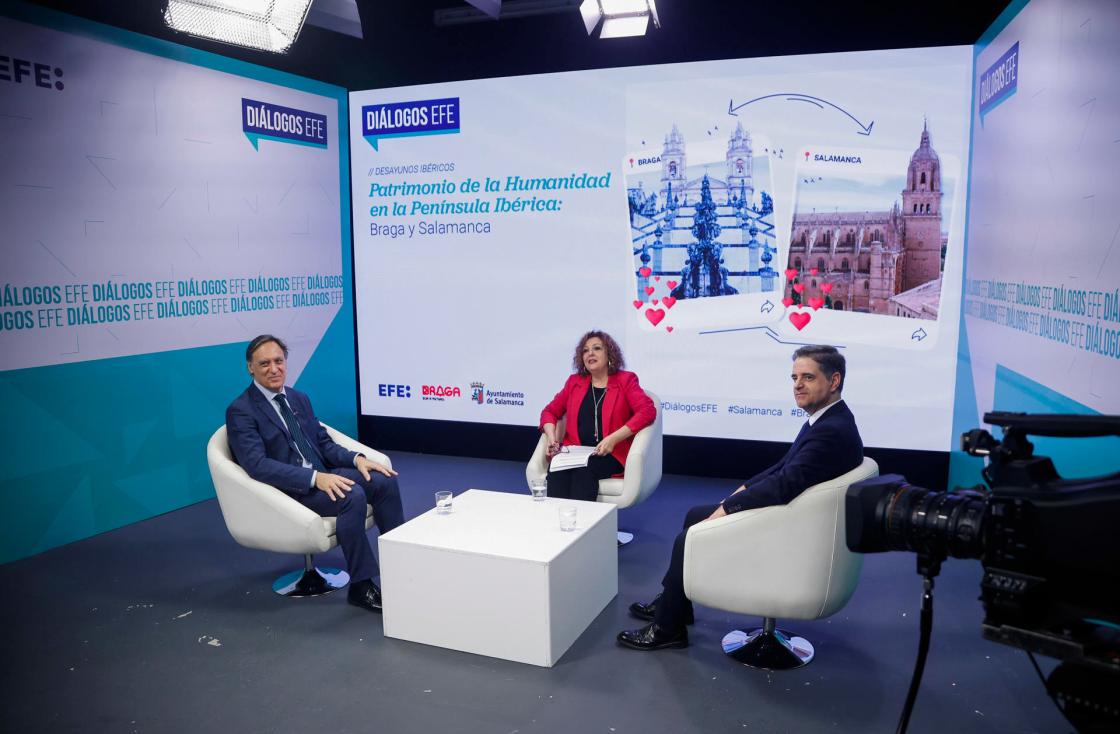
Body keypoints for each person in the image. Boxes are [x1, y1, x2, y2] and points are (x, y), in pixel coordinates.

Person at [617, 344, 863, 650]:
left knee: (690, 534)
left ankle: (667, 629)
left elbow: (785, 484)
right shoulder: (830, 419)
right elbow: (785, 466)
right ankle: (675, 605)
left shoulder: (831, 430)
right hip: (797, 515)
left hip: (794, 528)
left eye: (808, 377)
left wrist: (730, 507)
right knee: (695, 515)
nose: (797, 385)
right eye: (794, 377)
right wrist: (744, 489)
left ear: (834, 380)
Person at [225, 334, 404, 614]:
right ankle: (361, 585)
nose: (274, 369)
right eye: (264, 364)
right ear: (250, 367)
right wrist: (314, 479)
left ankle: (403, 568)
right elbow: (256, 465)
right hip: (290, 490)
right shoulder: (241, 411)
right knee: (352, 495)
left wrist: (357, 459)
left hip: (323, 475)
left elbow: (323, 443)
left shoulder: (298, 398)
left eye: (278, 361)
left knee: (382, 481)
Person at [539, 330, 657, 502]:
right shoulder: (574, 382)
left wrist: (614, 438)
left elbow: (647, 411)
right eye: (585, 351)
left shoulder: (625, 380)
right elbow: (549, 411)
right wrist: (551, 438)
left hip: (611, 453)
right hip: (576, 451)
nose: (590, 353)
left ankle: (584, 526)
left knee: (584, 471)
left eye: (597, 348)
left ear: (609, 353)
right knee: (557, 469)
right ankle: (558, 524)